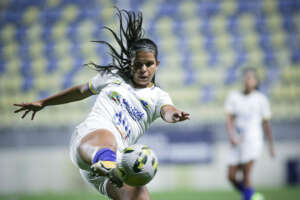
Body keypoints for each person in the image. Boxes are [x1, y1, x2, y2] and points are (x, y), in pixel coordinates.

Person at [13, 8, 190, 200]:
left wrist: (175, 115)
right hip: (90, 139)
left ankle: (108, 164)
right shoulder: (113, 76)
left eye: (149, 64)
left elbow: (167, 111)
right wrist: (44, 102)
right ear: (130, 64)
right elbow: (80, 91)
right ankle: (105, 161)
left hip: (117, 161)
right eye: (138, 64)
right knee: (107, 137)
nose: (143, 69)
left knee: (141, 198)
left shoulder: (158, 96)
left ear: (157, 64)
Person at [224, 67, 275, 200]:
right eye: (246, 78)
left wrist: (270, 146)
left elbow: (266, 124)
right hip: (238, 140)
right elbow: (229, 119)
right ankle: (252, 195)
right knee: (231, 176)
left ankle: (248, 197)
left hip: (253, 140)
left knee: (246, 174)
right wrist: (232, 136)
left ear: (256, 82)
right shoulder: (234, 97)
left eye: (251, 78)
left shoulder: (261, 99)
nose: (248, 80)